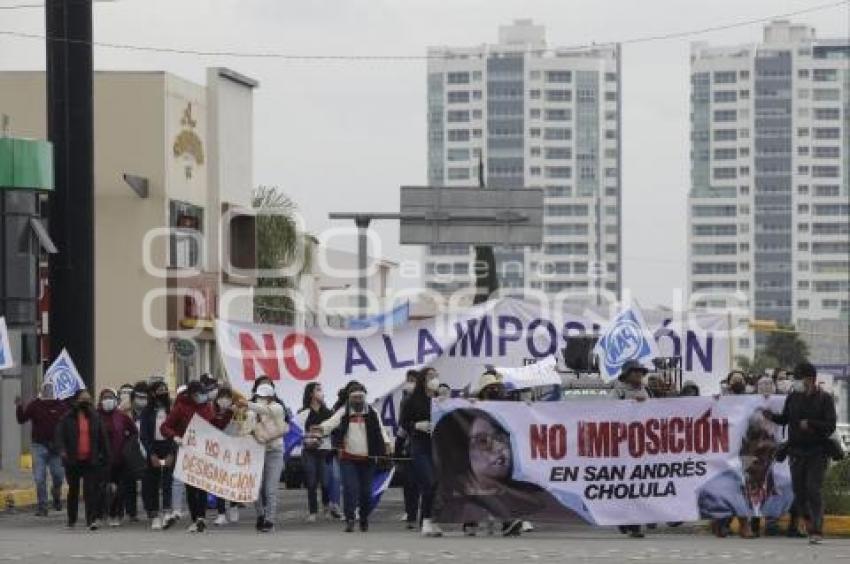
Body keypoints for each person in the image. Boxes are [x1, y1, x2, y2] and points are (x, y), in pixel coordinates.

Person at [763, 362, 837, 545]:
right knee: (800, 493)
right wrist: (771, 416)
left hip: (817, 452)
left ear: (810, 379)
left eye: (798, 378)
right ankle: (808, 523)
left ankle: (817, 530)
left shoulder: (825, 399)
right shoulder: (793, 397)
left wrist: (811, 423)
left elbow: (830, 425)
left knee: (813, 489)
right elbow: (785, 419)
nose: (794, 382)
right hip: (796, 452)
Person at [320, 382, 393, 533]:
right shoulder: (344, 412)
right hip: (348, 458)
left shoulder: (372, 412)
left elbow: (381, 430)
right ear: (349, 398)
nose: (358, 400)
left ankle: (364, 517)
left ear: (364, 397)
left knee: (366, 491)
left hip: (368, 458)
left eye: (361, 397)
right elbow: (331, 423)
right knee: (350, 489)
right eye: (355, 397)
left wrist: (387, 443)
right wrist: (319, 429)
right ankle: (350, 518)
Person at [161, 380, 231, 533]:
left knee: (203, 485)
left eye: (203, 393)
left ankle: (201, 518)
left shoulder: (207, 407)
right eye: (198, 394)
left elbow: (216, 426)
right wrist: (175, 437)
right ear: (191, 395)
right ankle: (195, 518)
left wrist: (227, 414)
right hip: (187, 451)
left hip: (203, 450)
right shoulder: (180, 407)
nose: (202, 396)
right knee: (191, 487)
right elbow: (165, 427)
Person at [54, 389, 110, 530]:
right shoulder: (67, 418)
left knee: (90, 490)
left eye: (88, 399)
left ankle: (90, 520)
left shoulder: (95, 417)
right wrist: (62, 451)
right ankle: (72, 519)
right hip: (72, 460)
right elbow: (59, 436)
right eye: (83, 399)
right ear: (76, 400)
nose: (86, 402)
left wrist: (106, 455)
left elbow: (102, 437)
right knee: (73, 489)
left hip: (90, 460)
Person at [399, 367, 443, 537]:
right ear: (423, 379)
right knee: (428, 482)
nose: (435, 379)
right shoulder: (412, 400)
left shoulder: (440, 400)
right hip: (419, 446)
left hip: (437, 447)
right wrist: (416, 425)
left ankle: (432, 519)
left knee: (437, 485)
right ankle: (425, 520)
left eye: (436, 376)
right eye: (431, 376)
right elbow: (404, 422)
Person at [15, 381, 69, 516]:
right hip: (39, 446)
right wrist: (19, 406)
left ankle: (56, 494)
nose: (48, 391)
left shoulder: (62, 406)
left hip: (56, 448)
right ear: (41, 390)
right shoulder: (35, 405)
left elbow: (69, 424)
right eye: (46, 389)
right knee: (39, 478)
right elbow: (22, 419)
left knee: (58, 476)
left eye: (51, 389)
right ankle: (42, 506)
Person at [608, 360, 649, 538]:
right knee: (624, 484)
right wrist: (630, 403)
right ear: (627, 374)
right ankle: (626, 520)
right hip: (622, 446)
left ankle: (635, 522)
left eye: (641, 373)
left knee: (638, 484)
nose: (639, 376)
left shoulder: (646, 392)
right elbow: (609, 413)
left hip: (641, 446)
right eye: (635, 372)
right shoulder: (616, 392)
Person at [241, 383, 288, 533]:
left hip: (274, 451)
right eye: (259, 396)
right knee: (256, 487)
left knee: (270, 488)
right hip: (256, 451)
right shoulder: (251, 413)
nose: (261, 399)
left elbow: (264, 409)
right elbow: (245, 431)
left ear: (271, 397)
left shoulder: (277, 408)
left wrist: (248, 404)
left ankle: (269, 520)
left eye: (265, 397)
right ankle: (260, 515)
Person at [96, 388, 138, 527]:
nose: (107, 400)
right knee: (102, 489)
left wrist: (127, 444)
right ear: (100, 401)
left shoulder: (122, 416)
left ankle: (116, 514)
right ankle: (101, 513)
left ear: (115, 400)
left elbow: (134, 432)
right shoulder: (95, 416)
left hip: (120, 458)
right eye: (105, 397)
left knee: (120, 489)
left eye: (110, 397)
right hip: (102, 459)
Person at [140, 380, 175, 530]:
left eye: (165, 390)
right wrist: (151, 454)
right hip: (153, 447)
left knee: (168, 481)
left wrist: (172, 453)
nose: (163, 392)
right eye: (159, 390)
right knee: (152, 482)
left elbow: (177, 432)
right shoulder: (147, 412)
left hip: (168, 446)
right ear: (153, 393)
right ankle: (154, 515)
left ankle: (167, 511)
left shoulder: (171, 410)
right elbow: (144, 435)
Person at [299, 382, 334, 522]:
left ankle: (326, 508)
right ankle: (312, 511)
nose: (321, 392)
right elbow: (299, 431)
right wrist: (309, 437)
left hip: (324, 450)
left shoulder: (328, 412)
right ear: (311, 394)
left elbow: (332, 429)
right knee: (311, 482)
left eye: (321, 390)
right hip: (309, 451)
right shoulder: (303, 412)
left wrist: (321, 433)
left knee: (325, 482)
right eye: (318, 390)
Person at [212, 385, 245, 526]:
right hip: (218, 451)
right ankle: (221, 513)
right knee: (219, 482)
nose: (224, 400)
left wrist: (236, 412)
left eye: (227, 397)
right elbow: (216, 426)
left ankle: (233, 506)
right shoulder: (213, 411)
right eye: (221, 397)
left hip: (234, 450)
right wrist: (225, 414)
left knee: (233, 480)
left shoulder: (237, 412)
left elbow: (243, 426)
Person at [396, 370, 421, 530]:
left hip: (425, 444)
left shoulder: (427, 400)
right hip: (409, 445)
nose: (410, 383)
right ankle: (411, 514)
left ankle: (423, 514)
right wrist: (397, 451)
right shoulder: (405, 400)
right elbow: (403, 425)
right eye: (408, 380)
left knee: (423, 482)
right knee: (409, 483)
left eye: (413, 380)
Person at [121, 381, 149, 522]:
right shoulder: (124, 412)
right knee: (129, 482)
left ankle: (150, 509)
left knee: (148, 482)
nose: (142, 400)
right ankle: (131, 512)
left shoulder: (151, 412)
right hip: (130, 451)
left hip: (147, 450)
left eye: (145, 397)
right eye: (139, 397)